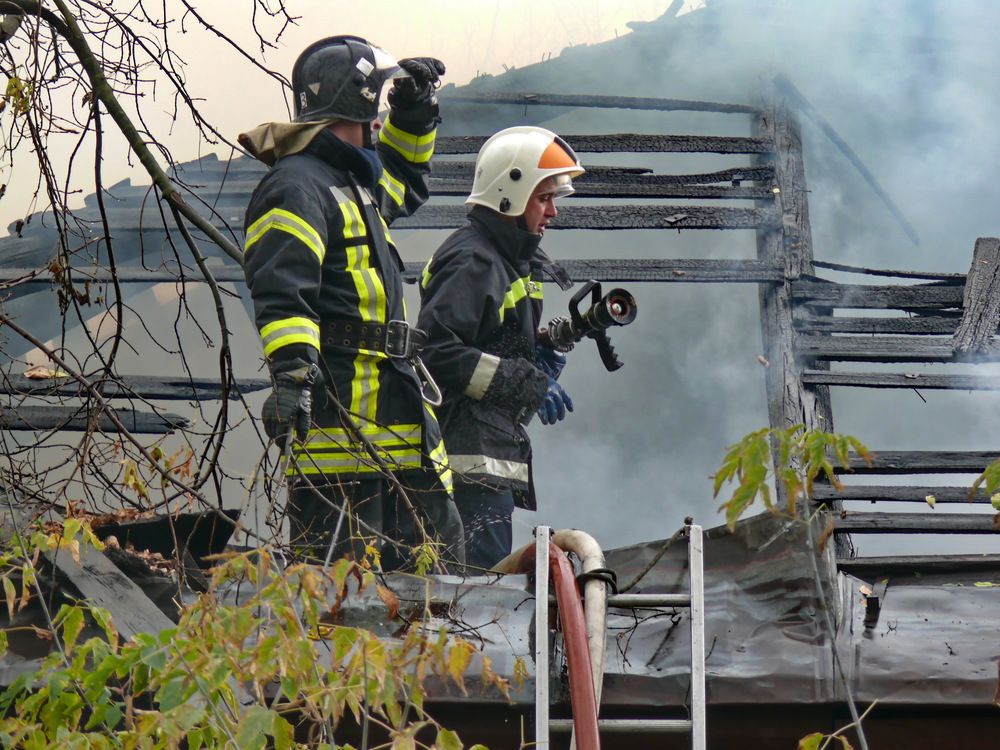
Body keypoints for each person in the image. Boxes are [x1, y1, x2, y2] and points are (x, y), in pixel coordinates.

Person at [239, 35, 463, 570]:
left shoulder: (351, 182)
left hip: (394, 417)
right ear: (357, 105)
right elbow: (282, 291)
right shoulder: (296, 186)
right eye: (379, 104)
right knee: (346, 600)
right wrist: (292, 375)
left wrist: (415, 112)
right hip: (341, 428)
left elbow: (406, 180)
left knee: (434, 578)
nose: (381, 123)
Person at [416, 126, 584, 570]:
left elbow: (491, 347)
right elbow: (436, 352)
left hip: (488, 459)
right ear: (510, 192)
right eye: (543, 197)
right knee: (477, 597)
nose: (553, 212)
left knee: (486, 591)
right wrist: (528, 384)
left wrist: (535, 361)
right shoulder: (475, 260)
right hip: (465, 464)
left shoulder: (510, 259)